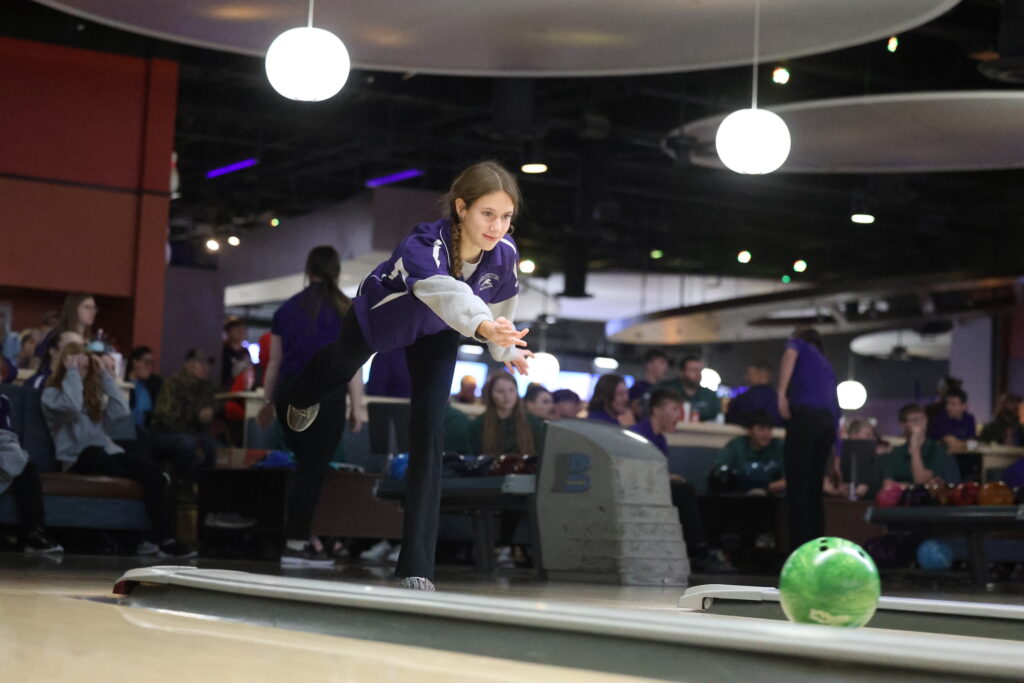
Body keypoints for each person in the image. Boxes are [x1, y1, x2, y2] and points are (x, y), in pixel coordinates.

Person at [282, 161, 532, 590]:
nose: (497, 226)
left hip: (439, 332)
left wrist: (505, 348)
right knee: (342, 364)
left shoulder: (505, 254)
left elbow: (502, 306)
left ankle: (417, 564)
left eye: (506, 216)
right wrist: (484, 327)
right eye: (487, 214)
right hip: (384, 318)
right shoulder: (425, 243)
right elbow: (446, 293)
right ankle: (301, 393)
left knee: (429, 431)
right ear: (461, 208)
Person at [256, 245, 367, 568]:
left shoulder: (287, 309)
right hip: (326, 395)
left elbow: (274, 364)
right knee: (312, 470)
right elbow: (352, 366)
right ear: (336, 270)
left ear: (309, 268)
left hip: (288, 394)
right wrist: (357, 407)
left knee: (304, 467)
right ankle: (296, 544)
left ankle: (301, 538)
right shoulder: (346, 310)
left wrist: (266, 401)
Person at [41, 343, 192, 558]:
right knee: (97, 453)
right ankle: (133, 539)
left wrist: (103, 374)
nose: (83, 374)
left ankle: (162, 540)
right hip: (76, 458)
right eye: (78, 368)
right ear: (66, 369)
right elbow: (72, 406)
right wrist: (72, 373)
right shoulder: (51, 395)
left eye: (86, 369)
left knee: (152, 474)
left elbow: (121, 412)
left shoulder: (92, 396)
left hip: (108, 452)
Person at [776, 327, 840, 550]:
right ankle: (816, 547)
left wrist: (781, 393)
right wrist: (837, 459)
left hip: (805, 419)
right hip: (826, 425)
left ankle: (797, 550)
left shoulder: (799, 345)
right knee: (814, 490)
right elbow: (836, 411)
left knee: (798, 486)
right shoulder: (827, 367)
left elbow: (790, 354)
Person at [0, 394, 62, 554]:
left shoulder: (4, 400)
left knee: (27, 468)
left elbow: (7, 437)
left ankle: (34, 533)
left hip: (6, 449)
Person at [149, 349, 220, 488]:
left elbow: (218, 400)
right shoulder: (172, 384)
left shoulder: (206, 387)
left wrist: (213, 410)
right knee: (187, 444)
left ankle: (204, 490)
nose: (205, 367)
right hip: (166, 432)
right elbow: (165, 417)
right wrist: (196, 415)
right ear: (188, 365)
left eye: (207, 364)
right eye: (200, 363)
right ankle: (183, 486)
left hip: (194, 434)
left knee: (216, 448)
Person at [468, 373, 545, 457]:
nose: (507, 396)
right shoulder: (478, 425)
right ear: (490, 394)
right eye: (500, 391)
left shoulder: (532, 422)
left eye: (511, 390)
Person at [882, 403, 953, 486]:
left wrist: (914, 448)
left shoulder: (936, 449)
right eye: (914, 419)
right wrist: (912, 486)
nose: (919, 422)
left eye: (922, 418)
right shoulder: (896, 452)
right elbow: (887, 483)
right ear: (903, 424)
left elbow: (920, 480)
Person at [715, 410, 786, 493]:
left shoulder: (778, 446)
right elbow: (719, 473)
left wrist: (765, 488)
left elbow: (790, 479)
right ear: (749, 430)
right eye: (761, 429)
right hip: (739, 498)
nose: (766, 434)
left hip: (772, 499)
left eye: (769, 429)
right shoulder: (736, 445)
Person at [656, 355, 720, 421]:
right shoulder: (665, 388)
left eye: (699, 370)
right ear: (681, 372)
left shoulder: (709, 395)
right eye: (692, 370)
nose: (697, 374)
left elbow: (718, 418)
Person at [36, 294, 97, 362]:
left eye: (94, 308)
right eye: (87, 307)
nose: (92, 312)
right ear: (74, 308)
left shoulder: (91, 339)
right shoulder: (61, 336)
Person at [726, 361, 782, 427]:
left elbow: (730, 421)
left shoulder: (743, 400)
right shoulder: (781, 402)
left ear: (761, 374)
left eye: (749, 374)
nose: (746, 377)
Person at [927, 387, 976, 454]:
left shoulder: (969, 419)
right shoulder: (941, 419)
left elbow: (973, 445)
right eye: (947, 403)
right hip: (941, 458)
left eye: (953, 404)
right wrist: (966, 444)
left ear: (964, 406)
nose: (948, 407)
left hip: (964, 457)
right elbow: (951, 446)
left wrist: (962, 444)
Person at [125, 346, 163, 428]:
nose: (150, 366)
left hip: (150, 428)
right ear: (135, 362)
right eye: (146, 362)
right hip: (129, 427)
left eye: (152, 363)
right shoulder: (123, 382)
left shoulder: (155, 383)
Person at [629, 349, 670, 419]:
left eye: (666, 364)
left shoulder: (664, 390)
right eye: (661, 363)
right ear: (649, 365)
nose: (665, 368)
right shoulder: (637, 389)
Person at [221, 317, 250, 389]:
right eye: (236, 328)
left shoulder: (245, 352)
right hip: (227, 391)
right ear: (228, 332)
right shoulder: (223, 351)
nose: (241, 331)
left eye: (243, 329)